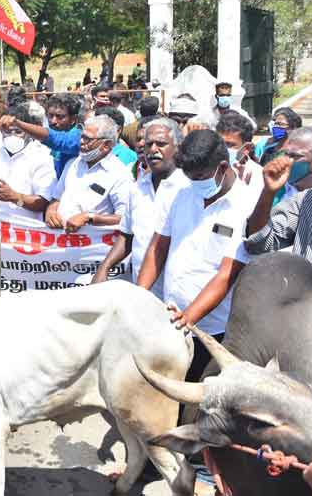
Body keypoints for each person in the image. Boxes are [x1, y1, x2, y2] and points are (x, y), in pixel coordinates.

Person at [137, 129, 257, 385]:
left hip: (214, 330)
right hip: (171, 318)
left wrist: (188, 318)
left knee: (204, 402)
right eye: (190, 177)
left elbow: (227, 273)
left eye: (200, 177)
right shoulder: (181, 192)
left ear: (222, 167)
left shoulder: (245, 206)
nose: (195, 183)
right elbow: (158, 247)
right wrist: (138, 297)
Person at [92, 118, 187, 297]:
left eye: (161, 144)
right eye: (148, 144)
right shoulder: (137, 188)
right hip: (142, 293)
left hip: (177, 297)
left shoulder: (189, 189)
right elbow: (127, 235)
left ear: (178, 147)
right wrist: (104, 268)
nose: (153, 150)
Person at [244, 133, 312, 295]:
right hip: (300, 315)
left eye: (296, 156)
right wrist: (268, 192)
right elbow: (258, 243)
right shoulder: (306, 201)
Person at [45, 115, 131, 232]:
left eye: (88, 139)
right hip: (61, 241)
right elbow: (57, 198)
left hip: (92, 246)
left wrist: (90, 218)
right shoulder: (72, 164)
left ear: (106, 145)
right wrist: (51, 211)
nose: (81, 142)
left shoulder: (119, 174)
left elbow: (125, 217)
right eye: (82, 136)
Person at [0, 105, 55, 222]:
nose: (13, 136)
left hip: (23, 229)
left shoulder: (41, 158)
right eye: (8, 132)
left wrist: (15, 198)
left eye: (18, 132)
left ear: (28, 132)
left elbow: (42, 203)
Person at [4, 94, 82, 177]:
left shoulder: (78, 137)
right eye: (50, 115)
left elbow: (57, 140)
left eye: (60, 117)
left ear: (73, 119)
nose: (53, 121)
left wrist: (17, 123)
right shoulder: (42, 134)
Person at [216, 111, 264, 196]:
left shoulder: (259, 178)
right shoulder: (209, 170)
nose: (222, 148)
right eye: (219, 143)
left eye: (230, 145)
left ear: (246, 149)